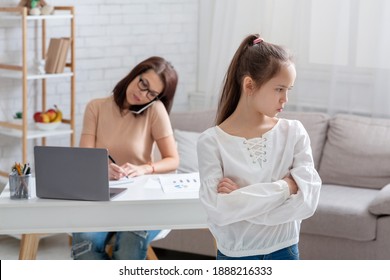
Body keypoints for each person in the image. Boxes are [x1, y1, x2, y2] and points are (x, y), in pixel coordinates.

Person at [197, 35, 322, 260]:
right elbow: (219, 210)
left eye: (289, 90)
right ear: (249, 85)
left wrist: (241, 200)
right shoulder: (211, 141)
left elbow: (308, 202)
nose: (285, 99)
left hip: (285, 250)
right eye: (279, 89)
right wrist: (285, 188)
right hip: (235, 256)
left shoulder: (294, 132)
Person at [72, 56, 179, 260]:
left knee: (132, 237)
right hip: (101, 199)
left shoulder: (155, 111)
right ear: (134, 75)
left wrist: (144, 169)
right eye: (143, 83)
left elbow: (172, 159)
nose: (142, 93)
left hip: (142, 201)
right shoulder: (96, 107)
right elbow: (84, 158)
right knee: (85, 241)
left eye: (151, 93)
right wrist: (102, 168)